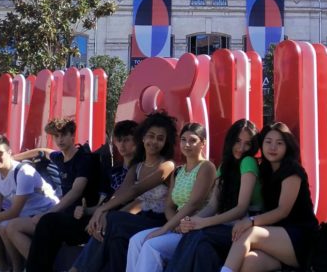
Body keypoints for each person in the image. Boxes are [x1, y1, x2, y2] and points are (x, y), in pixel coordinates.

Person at [26, 119, 140, 272]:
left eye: (127, 140)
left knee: (48, 221)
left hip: (116, 221)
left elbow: (135, 201)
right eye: (119, 140)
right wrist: (87, 210)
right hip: (95, 217)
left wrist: (102, 215)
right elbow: (104, 202)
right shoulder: (114, 171)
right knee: (47, 223)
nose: (122, 145)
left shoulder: (139, 168)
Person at [84, 111, 178, 272]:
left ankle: (79, 269)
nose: (154, 141)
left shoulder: (167, 165)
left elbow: (136, 190)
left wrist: (103, 210)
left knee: (113, 221)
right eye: (151, 136)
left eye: (160, 138)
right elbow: (121, 193)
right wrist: (102, 213)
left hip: (158, 221)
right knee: (116, 240)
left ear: (166, 143)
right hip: (139, 218)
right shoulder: (137, 166)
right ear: (142, 138)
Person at [221, 122, 319, 272]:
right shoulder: (264, 170)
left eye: (279, 143)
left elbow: (282, 211)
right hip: (276, 237)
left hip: (300, 237)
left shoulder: (292, 170)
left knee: (249, 232)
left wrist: (251, 221)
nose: (273, 148)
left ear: (287, 146)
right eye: (268, 142)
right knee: (249, 263)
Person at [2, 117, 98, 268]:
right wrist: (12, 158)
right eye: (56, 136)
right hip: (65, 215)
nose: (59, 139)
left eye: (63, 135)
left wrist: (49, 213)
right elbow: (42, 151)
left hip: (83, 218)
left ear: (73, 135)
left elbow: (76, 192)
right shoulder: (59, 157)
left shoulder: (84, 159)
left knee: (46, 223)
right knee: (12, 227)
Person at [169, 119, 262, 272]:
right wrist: (193, 221)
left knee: (200, 236)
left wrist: (204, 223)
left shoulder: (248, 161)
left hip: (246, 228)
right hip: (228, 225)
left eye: (248, 143)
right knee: (202, 248)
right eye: (238, 141)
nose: (241, 148)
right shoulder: (225, 165)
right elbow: (213, 205)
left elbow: (241, 208)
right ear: (230, 140)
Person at [125, 122, 216, 272]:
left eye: (193, 140)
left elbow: (193, 204)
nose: (187, 144)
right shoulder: (178, 171)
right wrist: (173, 225)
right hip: (176, 226)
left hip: (193, 228)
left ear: (203, 143)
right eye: (183, 140)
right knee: (136, 241)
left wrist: (165, 229)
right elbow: (169, 206)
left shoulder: (206, 167)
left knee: (152, 246)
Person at [0, 134, 59, 272]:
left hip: (47, 215)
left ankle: (39, 268)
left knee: (8, 227)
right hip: (27, 216)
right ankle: (7, 268)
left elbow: (14, 212)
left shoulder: (23, 172)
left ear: (9, 152)